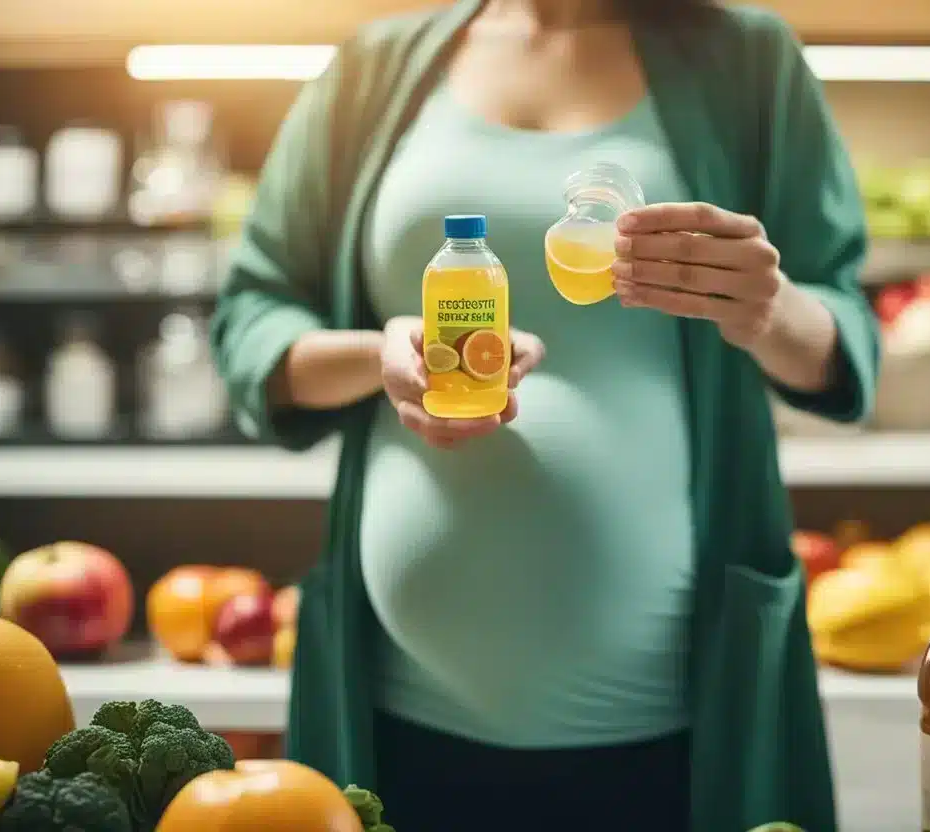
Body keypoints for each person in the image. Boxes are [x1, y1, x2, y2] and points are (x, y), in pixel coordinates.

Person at [211, 0, 879, 830]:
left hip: (676, 728)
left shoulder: (747, 60)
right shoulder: (374, 69)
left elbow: (844, 330)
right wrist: (375, 357)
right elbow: (251, 316)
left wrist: (768, 308)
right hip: (399, 717)